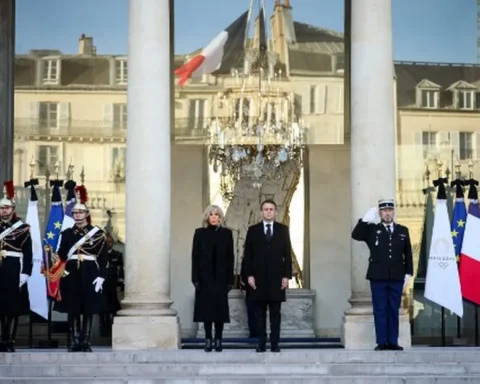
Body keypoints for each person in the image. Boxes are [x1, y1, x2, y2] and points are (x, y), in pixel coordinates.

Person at [351, 199, 413, 351]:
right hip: (378, 277)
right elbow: (356, 235)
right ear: (379, 213)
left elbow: (408, 253)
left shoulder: (402, 230)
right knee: (380, 309)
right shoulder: (372, 230)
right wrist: (364, 221)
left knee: (393, 309)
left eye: (390, 210)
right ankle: (381, 342)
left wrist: (408, 272)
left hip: (397, 276)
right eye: (384, 211)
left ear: (393, 212)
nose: (387, 213)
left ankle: (393, 341)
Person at [54, 186, 108, 352]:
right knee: (73, 307)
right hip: (71, 272)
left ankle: (86, 341)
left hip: (90, 270)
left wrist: (101, 276)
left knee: (88, 308)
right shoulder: (67, 233)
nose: (77, 215)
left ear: (86, 214)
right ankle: (75, 340)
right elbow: (62, 254)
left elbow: (103, 257)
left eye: (80, 212)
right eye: (75, 213)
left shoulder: (97, 234)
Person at [243, 199, 293, 353]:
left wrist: (286, 276)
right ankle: (261, 343)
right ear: (261, 212)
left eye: (271, 209)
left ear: (275, 212)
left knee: (275, 313)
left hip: (277, 279)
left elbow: (287, 255)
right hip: (257, 280)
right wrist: (249, 275)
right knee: (259, 314)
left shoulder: (283, 229)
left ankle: (275, 343)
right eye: (266, 209)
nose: (269, 211)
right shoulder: (253, 230)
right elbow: (247, 255)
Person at [191, 205, 234, 352]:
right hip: (204, 278)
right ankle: (208, 339)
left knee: (219, 311)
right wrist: (195, 278)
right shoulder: (199, 233)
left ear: (220, 218)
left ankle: (219, 340)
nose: (214, 217)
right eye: (211, 214)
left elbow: (230, 258)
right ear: (207, 217)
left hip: (221, 278)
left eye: (216, 214)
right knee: (207, 310)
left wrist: (230, 280)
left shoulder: (227, 234)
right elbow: (195, 257)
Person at [0, 180, 32, 352]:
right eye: (1, 208)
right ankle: (1, 338)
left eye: (7, 208)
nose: (4, 211)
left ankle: (10, 340)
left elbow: (28, 253)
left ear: (12, 209)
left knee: (12, 307)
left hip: (13, 268)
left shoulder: (23, 228)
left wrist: (26, 272)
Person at [99, 233, 124, 337]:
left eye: (109, 242)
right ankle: (104, 329)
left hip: (113, 284)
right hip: (102, 284)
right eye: (106, 242)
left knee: (114, 306)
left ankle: (115, 328)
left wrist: (120, 283)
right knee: (103, 307)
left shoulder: (117, 255)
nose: (108, 244)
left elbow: (120, 270)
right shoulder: (100, 255)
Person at [240, 256, 257, 338]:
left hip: (261, 289)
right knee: (251, 312)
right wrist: (243, 288)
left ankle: (259, 333)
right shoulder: (247, 258)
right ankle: (253, 333)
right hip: (249, 289)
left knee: (258, 312)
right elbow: (243, 273)